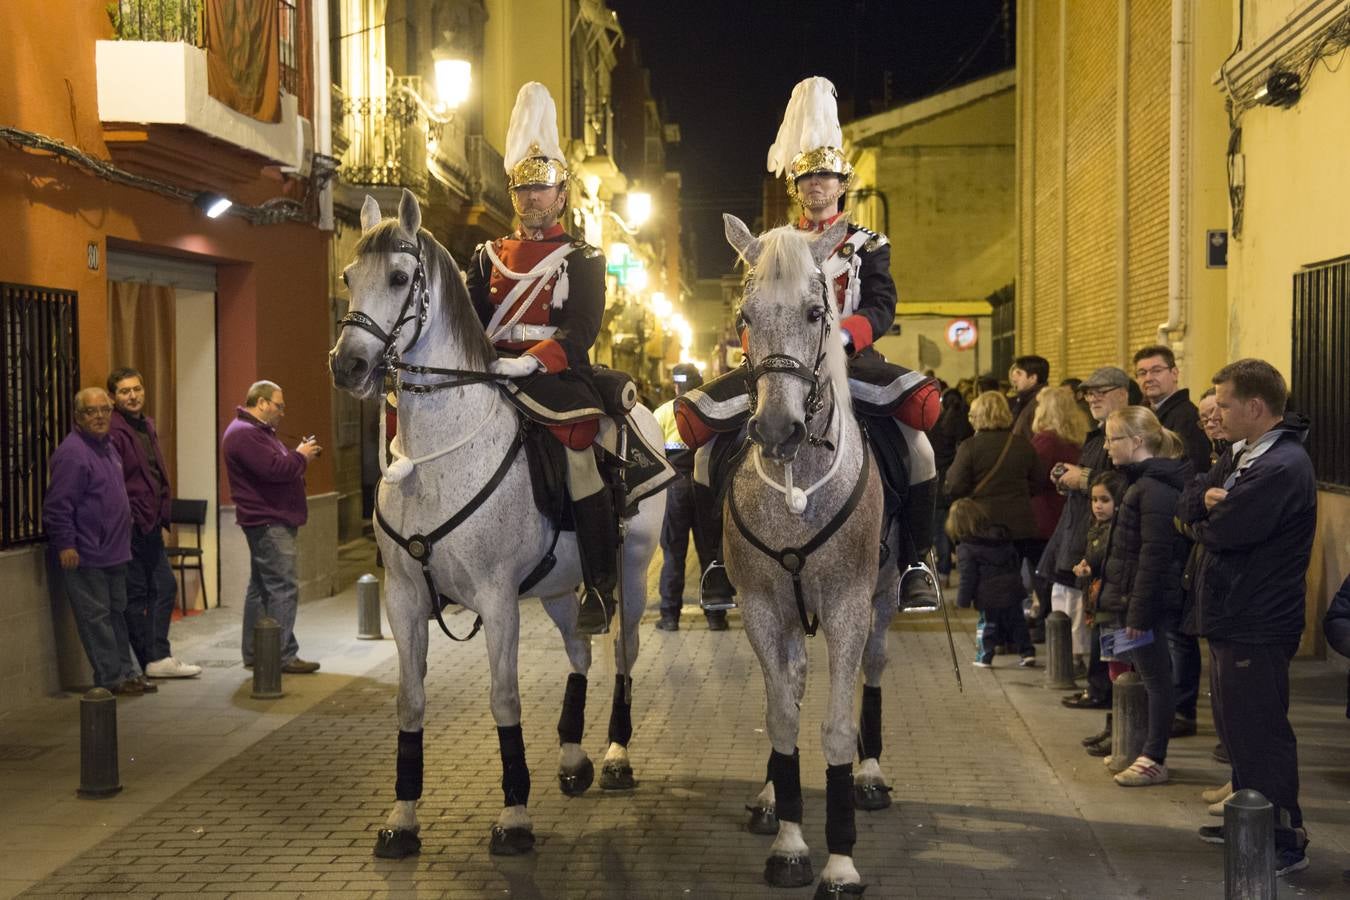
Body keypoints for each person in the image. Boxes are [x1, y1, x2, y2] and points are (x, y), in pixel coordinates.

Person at [675, 76, 941, 612]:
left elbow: (882, 306)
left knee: (919, 445)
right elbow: (749, 310)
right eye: (807, 179)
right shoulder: (774, 246)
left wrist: (844, 335)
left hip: (851, 360)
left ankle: (916, 561)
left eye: (826, 178)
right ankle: (717, 565)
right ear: (796, 187)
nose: (817, 187)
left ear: (843, 184)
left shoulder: (869, 243)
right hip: (781, 364)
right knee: (705, 450)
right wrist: (759, 347)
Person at [465, 82, 618, 636]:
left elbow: (581, 329)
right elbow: (472, 320)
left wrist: (531, 361)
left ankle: (600, 586)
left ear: (562, 194)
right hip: (490, 371)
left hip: (554, 375)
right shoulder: (487, 256)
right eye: (524, 189)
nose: (533, 198)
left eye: (543, 188)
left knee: (581, 450)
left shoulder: (583, 256)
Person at [1181, 359, 1315, 875]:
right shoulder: (1245, 453)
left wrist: (1208, 514)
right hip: (1232, 613)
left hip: (1257, 617)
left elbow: (1223, 531)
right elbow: (1193, 494)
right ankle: (1248, 821)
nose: (1217, 412)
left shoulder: (1281, 466)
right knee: (1237, 730)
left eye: (1226, 403)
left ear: (1255, 407)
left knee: (1261, 733)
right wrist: (1208, 504)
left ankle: (1283, 838)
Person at [1096, 406, 1191, 787]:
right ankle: (1136, 746)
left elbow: (1154, 556)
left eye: (1113, 439)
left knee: (1155, 678)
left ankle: (1154, 756)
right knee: (1132, 669)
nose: (1106, 447)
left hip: (1144, 606)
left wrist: (1137, 616)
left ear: (1136, 442)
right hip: (1129, 602)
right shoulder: (1138, 483)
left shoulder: (1153, 489)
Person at [1042, 366, 1135, 710]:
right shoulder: (1097, 435)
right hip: (1094, 540)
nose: (1092, 397)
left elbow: (1125, 481)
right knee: (1100, 619)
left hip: (1117, 545)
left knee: (1113, 625)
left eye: (1102, 391)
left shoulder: (1131, 431)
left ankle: (1108, 694)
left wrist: (1085, 478)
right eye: (1089, 393)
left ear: (1124, 394)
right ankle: (1102, 690)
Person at [43, 388, 146, 695]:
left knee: (116, 614)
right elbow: (58, 506)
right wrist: (66, 544)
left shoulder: (108, 446)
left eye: (104, 410)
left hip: (114, 552)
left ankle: (127, 673)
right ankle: (111, 677)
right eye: (91, 411)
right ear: (78, 417)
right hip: (87, 553)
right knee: (97, 619)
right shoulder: (73, 454)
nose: (100, 416)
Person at [106, 368, 201, 679]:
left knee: (163, 586)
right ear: (113, 397)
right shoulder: (115, 431)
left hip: (150, 522)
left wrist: (160, 512)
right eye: (124, 391)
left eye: (136, 389)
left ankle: (155, 656)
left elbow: (155, 473)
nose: (132, 396)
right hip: (130, 526)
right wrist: (131, 515)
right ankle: (153, 656)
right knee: (137, 594)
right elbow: (116, 481)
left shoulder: (146, 425)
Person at [222, 380, 322, 674]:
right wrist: (301, 455)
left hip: (267, 519)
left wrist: (295, 456)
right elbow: (275, 470)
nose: (282, 411)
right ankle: (281, 655)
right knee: (282, 588)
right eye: (278, 405)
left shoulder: (256, 433)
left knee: (261, 588)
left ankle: (256, 652)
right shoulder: (245, 434)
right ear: (262, 402)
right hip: (268, 521)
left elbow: (275, 464)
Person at [945, 391, 1040, 657]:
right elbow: (1039, 480)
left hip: (983, 527)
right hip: (1021, 525)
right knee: (1011, 584)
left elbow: (954, 485)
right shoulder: (1021, 444)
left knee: (989, 585)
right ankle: (1014, 638)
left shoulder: (970, 447)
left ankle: (995, 638)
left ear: (977, 416)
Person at [653, 364, 727, 632]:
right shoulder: (711, 412)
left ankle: (670, 616)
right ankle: (716, 615)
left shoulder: (661, 413)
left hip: (674, 490)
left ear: (675, 386)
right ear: (700, 384)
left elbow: (653, 458)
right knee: (710, 552)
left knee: (673, 552)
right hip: (705, 486)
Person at [1029, 386, 1089, 664]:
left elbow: (1033, 476)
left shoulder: (1045, 441)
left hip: (1045, 515)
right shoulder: (1078, 438)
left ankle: (1063, 649)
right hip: (1069, 514)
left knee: (1047, 580)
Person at [1076, 470, 1127, 757]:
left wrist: (1090, 567)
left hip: (1113, 611)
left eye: (1105, 500)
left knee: (1119, 671)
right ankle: (1115, 726)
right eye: (1094, 499)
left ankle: (1122, 729)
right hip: (1101, 608)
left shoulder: (1116, 532)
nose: (1098, 505)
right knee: (1112, 669)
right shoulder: (1096, 528)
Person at [947, 498, 1033, 667]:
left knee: (987, 625)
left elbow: (968, 576)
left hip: (989, 593)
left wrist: (962, 601)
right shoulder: (1000, 536)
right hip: (1012, 588)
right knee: (1017, 622)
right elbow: (1014, 560)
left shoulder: (966, 547)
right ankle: (1027, 652)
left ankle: (985, 656)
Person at [1133, 345, 1211, 474]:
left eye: (1156, 371)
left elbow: (1190, 470)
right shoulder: (1143, 416)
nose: (1148, 378)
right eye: (1142, 373)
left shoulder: (1188, 417)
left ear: (1174, 374)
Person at [930, 386, 974, 584]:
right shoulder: (967, 428)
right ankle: (966, 572)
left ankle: (944, 572)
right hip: (963, 486)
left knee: (942, 532)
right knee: (964, 530)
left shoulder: (936, 429)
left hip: (941, 486)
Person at [1009, 355, 1050, 441]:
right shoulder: (1024, 400)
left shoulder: (1041, 404)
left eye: (1019, 373)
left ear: (1032, 378)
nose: (1014, 379)